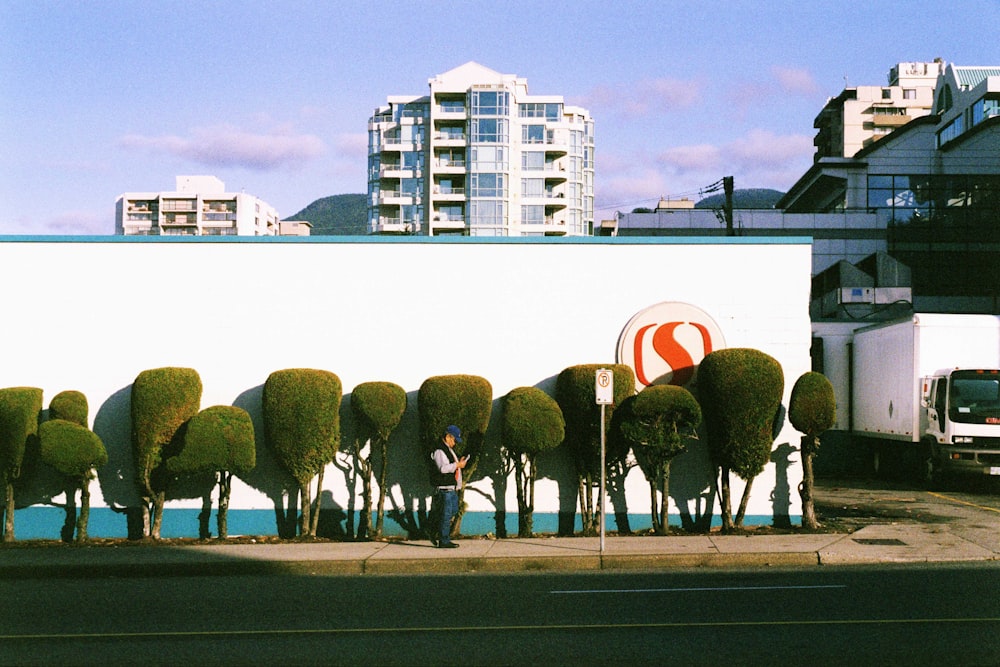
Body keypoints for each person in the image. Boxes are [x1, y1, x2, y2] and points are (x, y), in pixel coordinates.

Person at [429, 424, 468, 548]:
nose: (455, 443)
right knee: (446, 515)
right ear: (447, 437)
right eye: (454, 440)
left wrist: (458, 463)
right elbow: (443, 468)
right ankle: (443, 540)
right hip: (444, 489)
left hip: (450, 489)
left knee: (453, 511)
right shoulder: (440, 450)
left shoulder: (448, 450)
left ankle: (435, 531)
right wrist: (458, 465)